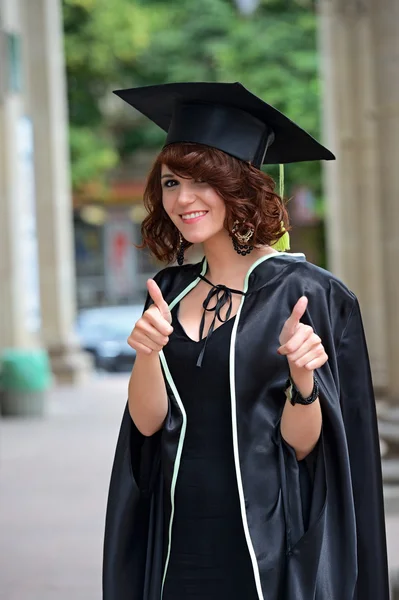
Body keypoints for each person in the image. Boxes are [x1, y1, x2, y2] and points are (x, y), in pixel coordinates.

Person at [103, 82, 389, 600]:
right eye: (170, 183)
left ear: (240, 187)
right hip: (176, 537)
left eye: (201, 181)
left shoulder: (309, 292)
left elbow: (305, 448)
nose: (182, 198)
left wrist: (304, 381)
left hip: (266, 546)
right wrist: (147, 354)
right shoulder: (167, 291)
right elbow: (147, 424)